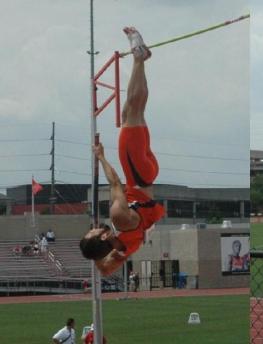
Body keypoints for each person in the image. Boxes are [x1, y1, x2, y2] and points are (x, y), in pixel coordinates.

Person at [79, 27, 165, 276]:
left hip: (146, 175)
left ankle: (142, 59)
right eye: (93, 232)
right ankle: (138, 56)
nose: (93, 227)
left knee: (131, 112)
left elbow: (105, 270)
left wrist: (97, 254)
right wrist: (102, 156)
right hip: (136, 172)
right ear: (103, 236)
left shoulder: (124, 247)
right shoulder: (117, 218)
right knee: (133, 111)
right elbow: (114, 181)